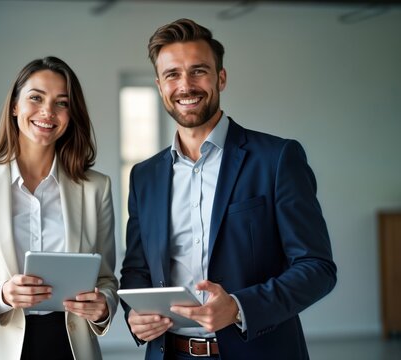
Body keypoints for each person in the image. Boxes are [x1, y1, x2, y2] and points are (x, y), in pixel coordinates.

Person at [119, 18, 337, 360]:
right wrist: (134, 314)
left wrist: (238, 307)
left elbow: (317, 268)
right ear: (160, 86)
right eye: (172, 74)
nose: (186, 85)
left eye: (199, 71)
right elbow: (136, 269)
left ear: (221, 77)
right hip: (170, 353)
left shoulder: (277, 159)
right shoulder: (144, 176)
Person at [0, 56, 118, 360]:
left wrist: (102, 307)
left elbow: (106, 281)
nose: (48, 111)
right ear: (15, 106)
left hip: (71, 347)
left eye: (62, 103)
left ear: (71, 115)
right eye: (36, 98)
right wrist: (2, 294)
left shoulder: (96, 187)